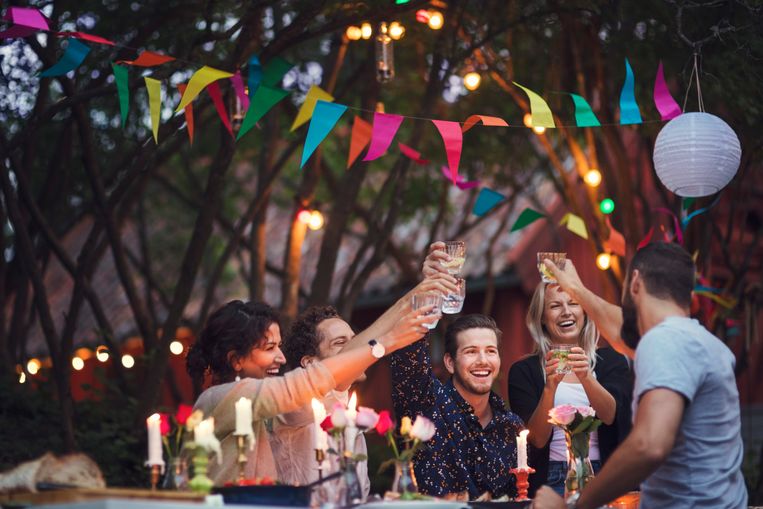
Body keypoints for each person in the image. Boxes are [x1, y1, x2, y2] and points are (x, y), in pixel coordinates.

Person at [533, 242, 747, 509]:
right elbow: (618, 330)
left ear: (634, 282)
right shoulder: (701, 341)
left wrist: (574, 504)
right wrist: (576, 289)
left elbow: (649, 445)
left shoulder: (663, 341)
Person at [186, 299, 433, 485]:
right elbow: (303, 384)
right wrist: (385, 343)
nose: (281, 358)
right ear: (236, 360)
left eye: (279, 347)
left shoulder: (261, 408)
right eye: (270, 347)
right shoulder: (221, 399)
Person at [271, 276, 458, 494]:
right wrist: (411, 299)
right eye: (341, 343)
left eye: (355, 340)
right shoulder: (294, 405)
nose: (360, 351)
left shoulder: (351, 415)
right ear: (310, 362)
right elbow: (343, 367)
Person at [508, 282, 632, 497]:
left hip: (604, 472)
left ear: (584, 311)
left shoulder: (612, 360)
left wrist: (586, 377)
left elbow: (610, 415)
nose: (566, 312)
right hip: (552, 475)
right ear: (542, 318)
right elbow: (536, 439)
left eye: (573, 303)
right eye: (555, 306)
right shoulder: (524, 371)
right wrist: (550, 387)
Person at [391, 310, 524, 498]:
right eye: (471, 351)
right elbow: (408, 359)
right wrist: (427, 303)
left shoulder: (511, 426)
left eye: (491, 351)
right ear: (450, 362)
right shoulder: (427, 404)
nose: (483, 361)